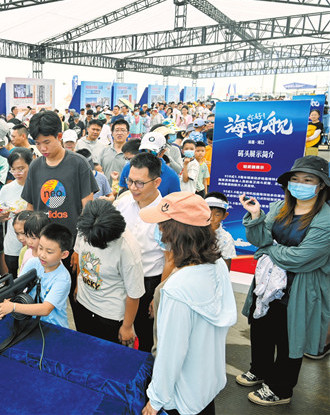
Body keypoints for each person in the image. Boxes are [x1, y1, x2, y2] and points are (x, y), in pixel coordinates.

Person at [237, 156, 330, 406]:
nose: (300, 184)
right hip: (267, 284)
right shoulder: (280, 208)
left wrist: (269, 250)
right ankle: (260, 370)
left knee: (289, 337)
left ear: (321, 185)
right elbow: (260, 239)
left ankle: (281, 388)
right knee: (260, 327)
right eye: (295, 179)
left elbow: (301, 258)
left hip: (299, 289)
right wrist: (256, 216)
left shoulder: (326, 218)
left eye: (308, 180)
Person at [140, 191, 236, 415]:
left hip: (180, 396)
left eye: (162, 225)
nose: (159, 232)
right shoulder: (217, 265)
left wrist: (155, 401)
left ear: (176, 231)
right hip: (206, 385)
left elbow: (171, 352)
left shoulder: (178, 289)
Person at [22, 111, 99, 309]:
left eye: (46, 142)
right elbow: (30, 207)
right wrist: (30, 242)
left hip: (70, 247)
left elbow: (88, 210)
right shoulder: (36, 166)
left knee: (77, 299)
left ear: (59, 136)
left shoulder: (78, 164)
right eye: (37, 144)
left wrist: (79, 249)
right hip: (42, 248)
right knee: (38, 299)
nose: (42, 148)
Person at [115, 152, 166, 353]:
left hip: (148, 282)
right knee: (120, 329)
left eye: (139, 183)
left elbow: (170, 260)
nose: (133, 187)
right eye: (130, 181)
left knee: (145, 336)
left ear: (157, 182)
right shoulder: (123, 202)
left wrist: (158, 295)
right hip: (120, 279)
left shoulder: (165, 214)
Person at [73, 199, 144, 344]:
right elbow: (79, 254)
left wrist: (127, 326)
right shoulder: (86, 226)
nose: (85, 239)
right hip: (83, 304)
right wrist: (78, 285)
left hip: (109, 316)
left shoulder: (127, 248)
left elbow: (134, 293)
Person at [0, 223, 72, 328]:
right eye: (40, 248)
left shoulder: (63, 278)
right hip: (30, 322)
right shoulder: (33, 263)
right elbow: (17, 288)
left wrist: (13, 307)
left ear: (64, 254)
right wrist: (4, 306)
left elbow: (46, 309)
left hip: (54, 326)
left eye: (49, 252)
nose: (42, 255)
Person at [0, 148, 32, 277]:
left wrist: (27, 213)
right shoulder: (6, 189)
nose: (17, 173)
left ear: (30, 165)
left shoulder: (38, 186)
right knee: (14, 277)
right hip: (13, 245)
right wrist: (1, 216)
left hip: (33, 245)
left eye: (21, 168)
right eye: (13, 169)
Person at [118, 132, 181, 197]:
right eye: (144, 150)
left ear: (162, 152)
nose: (147, 155)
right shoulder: (129, 167)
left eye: (153, 152)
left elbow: (175, 203)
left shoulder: (171, 176)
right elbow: (121, 191)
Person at [205, 192, 236, 270]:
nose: (211, 218)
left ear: (225, 216)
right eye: (208, 213)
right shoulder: (194, 231)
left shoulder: (226, 238)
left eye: (217, 215)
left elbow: (226, 266)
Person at [100, 119, 130, 187]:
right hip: (106, 193)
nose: (119, 133)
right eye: (116, 130)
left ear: (128, 133)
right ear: (112, 133)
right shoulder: (104, 151)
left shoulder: (132, 154)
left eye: (123, 130)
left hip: (125, 192)